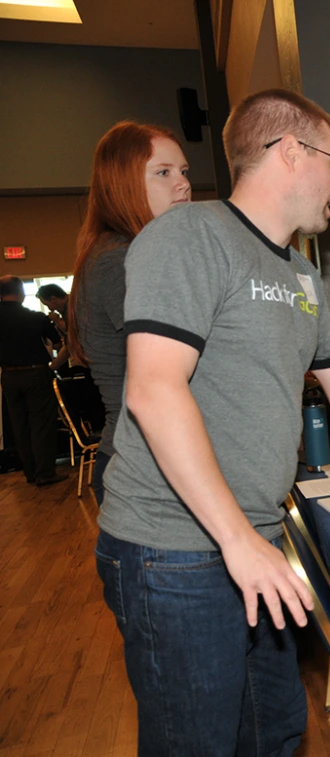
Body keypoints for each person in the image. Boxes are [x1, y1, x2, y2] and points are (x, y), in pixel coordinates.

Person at [93, 88, 330, 755]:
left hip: (254, 543)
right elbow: (154, 391)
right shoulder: (188, 235)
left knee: (274, 729)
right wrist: (238, 540)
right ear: (292, 153)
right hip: (175, 551)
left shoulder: (302, 275)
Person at [68, 121, 192, 505]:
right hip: (144, 472)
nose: (183, 183)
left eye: (184, 171)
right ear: (123, 184)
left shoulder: (140, 255)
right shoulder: (119, 261)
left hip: (156, 463)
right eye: (163, 173)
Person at [0, 275, 67, 486]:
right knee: (41, 424)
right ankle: (45, 473)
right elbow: (58, 345)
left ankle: (30, 472)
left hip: (8, 375)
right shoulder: (36, 317)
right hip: (36, 373)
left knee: (19, 425)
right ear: (20, 292)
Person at [36, 283, 70, 372]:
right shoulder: (67, 309)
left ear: (53, 299)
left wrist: (57, 320)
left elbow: (72, 331)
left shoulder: (74, 308)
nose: (50, 309)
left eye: (47, 305)